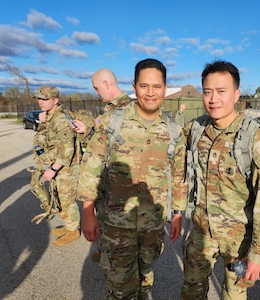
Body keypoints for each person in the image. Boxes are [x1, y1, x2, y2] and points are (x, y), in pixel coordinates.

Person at [76, 58, 186, 299]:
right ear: (134, 87)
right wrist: (87, 213)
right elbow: (92, 167)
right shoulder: (112, 122)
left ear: (165, 89)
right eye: (144, 86)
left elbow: (179, 175)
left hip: (152, 227)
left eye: (156, 86)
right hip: (117, 226)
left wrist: (177, 213)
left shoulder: (173, 130)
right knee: (120, 289)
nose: (150, 93)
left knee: (145, 280)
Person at [179, 60, 260, 299]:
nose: (213, 98)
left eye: (221, 91)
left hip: (239, 241)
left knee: (233, 296)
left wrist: (258, 255)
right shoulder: (196, 129)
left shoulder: (254, 141)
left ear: (236, 95)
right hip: (201, 232)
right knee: (191, 292)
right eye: (207, 91)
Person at [72, 68, 132, 262]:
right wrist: (88, 133)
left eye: (97, 88)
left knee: (122, 255)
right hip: (108, 191)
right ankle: (107, 248)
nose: (96, 93)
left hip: (118, 194)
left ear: (106, 84)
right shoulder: (112, 111)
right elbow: (109, 144)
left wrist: (87, 210)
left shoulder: (124, 112)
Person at [32, 86, 81, 246]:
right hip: (58, 165)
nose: (41, 102)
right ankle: (68, 226)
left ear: (55, 100)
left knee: (67, 200)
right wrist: (43, 121)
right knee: (59, 197)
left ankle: (73, 231)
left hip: (67, 167)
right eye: (39, 98)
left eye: (45, 99)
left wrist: (53, 170)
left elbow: (68, 149)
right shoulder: (51, 117)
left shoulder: (60, 120)